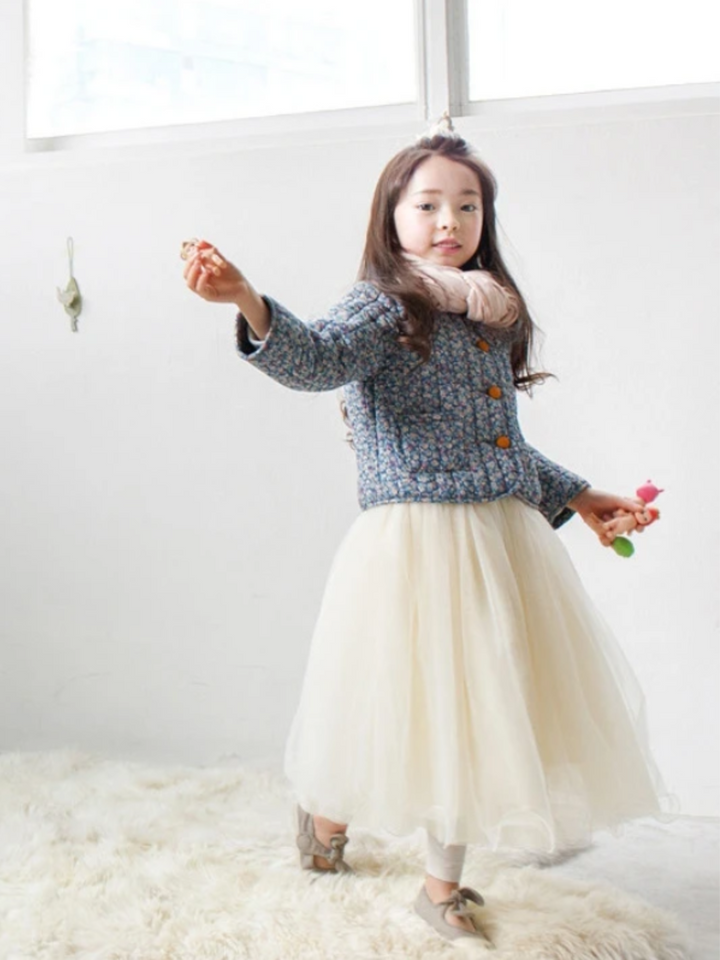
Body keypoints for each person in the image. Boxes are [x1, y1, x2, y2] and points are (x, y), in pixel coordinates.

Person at [182, 131, 675, 946]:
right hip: (416, 545)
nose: (450, 220)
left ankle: (439, 888)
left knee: (475, 717)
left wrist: (580, 496)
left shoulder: (489, 313)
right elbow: (316, 360)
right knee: (396, 706)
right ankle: (326, 815)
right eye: (429, 204)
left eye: (468, 206)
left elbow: (497, 445)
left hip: (498, 538)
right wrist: (247, 300)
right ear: (392, 216)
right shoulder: (384, 303)